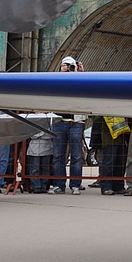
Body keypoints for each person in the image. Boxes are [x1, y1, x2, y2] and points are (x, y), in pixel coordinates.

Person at [51, 56, 86, 194]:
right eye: (65, 66)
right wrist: (63, 73)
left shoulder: (80, 80)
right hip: (60, 122)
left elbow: (87, 90)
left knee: (76, 155)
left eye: (70, 66)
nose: (68, 69)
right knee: (58, 155)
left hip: (76, 122)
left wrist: (81, 74)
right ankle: (59, 184)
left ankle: (75, 184)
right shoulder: (56, 80)